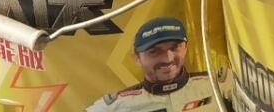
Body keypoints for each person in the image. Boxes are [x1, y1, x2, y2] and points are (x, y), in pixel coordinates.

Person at [85, 17, 217, 111]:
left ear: (186, 48)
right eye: (154, 52)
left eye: (174, 48)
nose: (168, 59)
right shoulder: (114, 106)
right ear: (137, 58)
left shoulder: (218, 86)